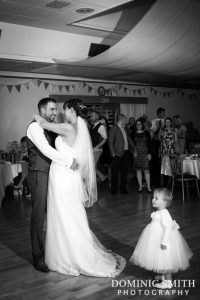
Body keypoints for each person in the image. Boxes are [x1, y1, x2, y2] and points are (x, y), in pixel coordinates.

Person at [33, 98, 126, 277]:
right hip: (70, 177)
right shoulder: (79, 128)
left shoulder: (68, 128)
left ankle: (67, 257)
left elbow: (43, 123)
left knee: (63, 215)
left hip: (63, 177)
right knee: (71, 214)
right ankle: (72, 252)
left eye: (64, 110)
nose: (62, 112)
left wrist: (37, 114)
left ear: (71, 110)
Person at [26, 97, 78, 272]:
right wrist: (68, 161)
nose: (56, 113)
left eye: (56, 109)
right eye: (52, 110)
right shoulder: (34, 127)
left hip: (52, 175)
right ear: (42, 111)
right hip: (38, 175)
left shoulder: (48, 127)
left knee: (56, 214)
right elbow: (46, 150)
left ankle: (57, 252)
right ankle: (37, 256)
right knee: (39, 217)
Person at [130, 187, 193, 289]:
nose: (153, 200)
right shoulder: (160, 211)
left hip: (163, 239)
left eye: (156, 198)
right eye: (153, 197)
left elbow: (167, 228)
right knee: (158, 258)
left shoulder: (165, 214)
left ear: (164, 202)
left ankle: (168, 282)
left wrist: (164, 242)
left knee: (165, 260)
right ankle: (162, 275)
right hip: (155, 237)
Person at [108, 114, 136, 195]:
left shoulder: (125, 128)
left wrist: (134, 148)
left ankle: (123, 187)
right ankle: (114, 190)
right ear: (121, 119)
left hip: (126, 152)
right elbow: (110, 142)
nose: (126, 121)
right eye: (125, 119)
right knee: (115, 172)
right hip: (117, 154)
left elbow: (129, 139)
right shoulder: (114, 128)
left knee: (125, 171)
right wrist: (113, 153)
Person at [133, 118, 152, 192]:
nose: (138, 125)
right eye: (137, 124)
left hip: (145, 153)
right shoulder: (133, 133)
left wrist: (149, 153)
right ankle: (140, 187)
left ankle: (148, 187)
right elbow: (131, 144)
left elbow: (150, 144)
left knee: (146, 171)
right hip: (137, 154)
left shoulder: (146, 133)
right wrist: (134, 151)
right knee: (138, 170)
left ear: (142, 125)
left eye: (140, 124)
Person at [89, 111, 108, 182]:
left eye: (92, 116)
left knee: (91, 167)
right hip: (91, 150)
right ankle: (103, 178)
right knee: (92, 167)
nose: (91, 117)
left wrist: (97, 146)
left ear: (97, 117)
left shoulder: (101, 126)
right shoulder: (90, 126)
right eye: (91, 116)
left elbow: (105, 138)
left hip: (97, 150)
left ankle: (92, 183)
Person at [159, 117, 177, 187]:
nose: (167, 123)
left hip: (171, 149)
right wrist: (163, 137)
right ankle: (162, 182)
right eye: (166, 122)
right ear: (164, 123)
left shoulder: (174, 130)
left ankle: (169, 183)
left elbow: (176, 140)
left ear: (171, 122)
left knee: (170, 166)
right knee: (162, 166)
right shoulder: (162, 129)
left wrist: (172, 141)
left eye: (169, 122)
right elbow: (158, 139)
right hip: (163, 149)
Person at [151, 108, 166, 184]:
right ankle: (155, 178)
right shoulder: (153, 122)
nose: (164, 114)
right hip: (156, 142)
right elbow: (152, 133)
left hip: (164, 143)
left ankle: (165, 178)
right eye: (163, 113)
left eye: (164, 113)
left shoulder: (166, 121)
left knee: (164, 160)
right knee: (155, 160)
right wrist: (156, 129)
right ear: (159, 113)